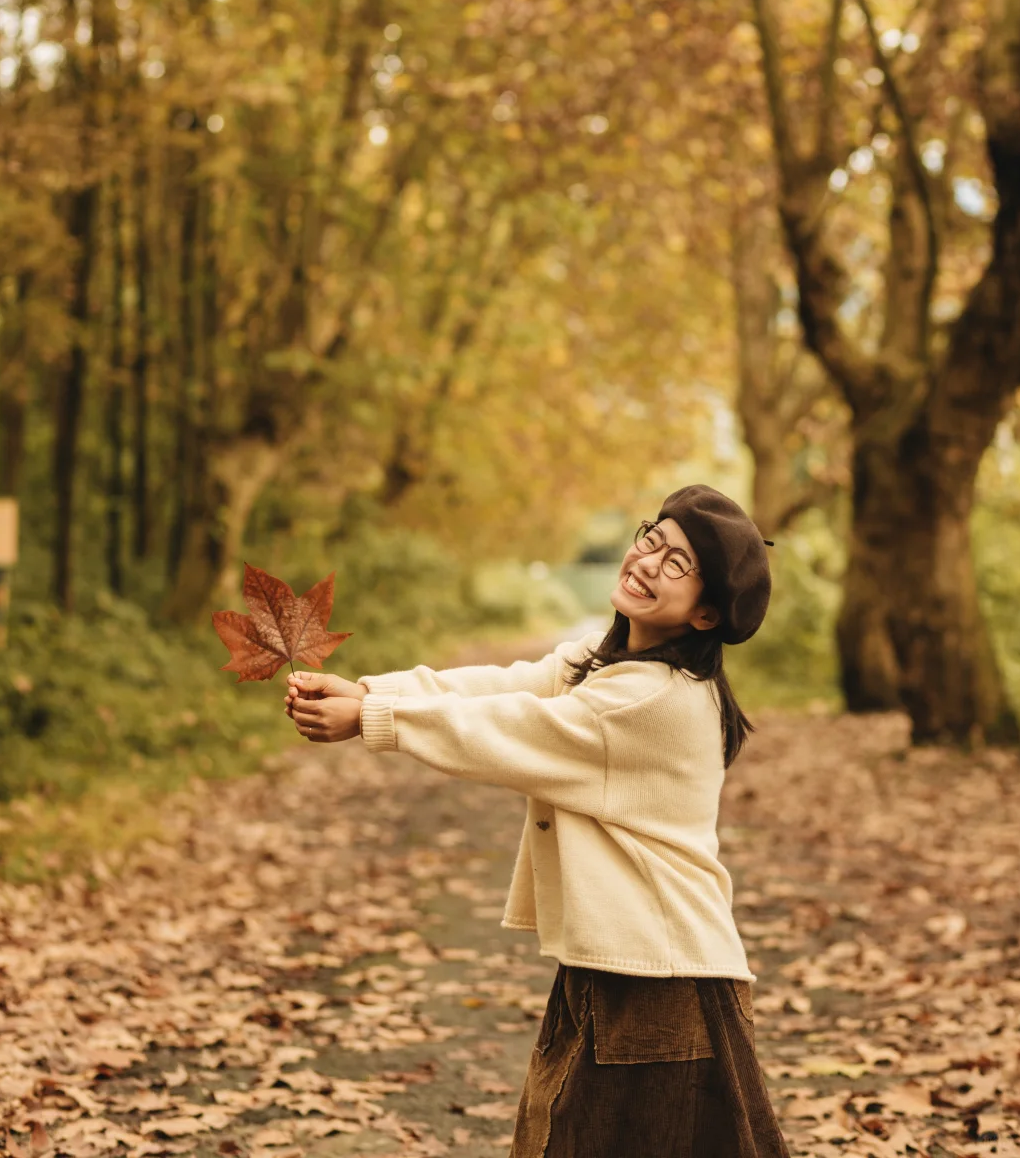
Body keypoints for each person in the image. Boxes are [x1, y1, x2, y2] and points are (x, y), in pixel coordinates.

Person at [284, 484, 790, 1158]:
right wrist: (371, 692)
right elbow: (501, 687)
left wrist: (372, 721)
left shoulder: (651, 701)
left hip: (665, 984)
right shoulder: (604, 664)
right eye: (653, 539)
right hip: (621, 967)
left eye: (677, 565)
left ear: (704, 615)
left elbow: (515, 730)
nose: (647, 562)